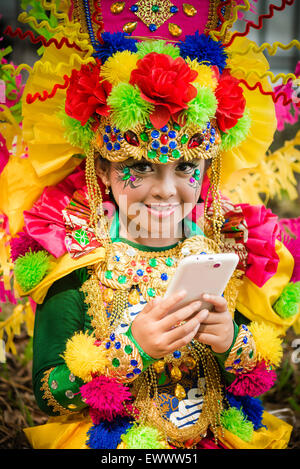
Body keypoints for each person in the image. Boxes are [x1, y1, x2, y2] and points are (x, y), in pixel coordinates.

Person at [0, 0, 299, 450]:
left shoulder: (223, 245)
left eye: (186, 168)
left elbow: (254, 380)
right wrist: (129, 350)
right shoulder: (75, 258)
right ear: (101, 169)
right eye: (138, 166)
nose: (165, 191)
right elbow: (48, 395)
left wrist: (230, 342)